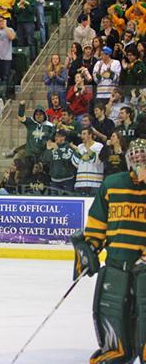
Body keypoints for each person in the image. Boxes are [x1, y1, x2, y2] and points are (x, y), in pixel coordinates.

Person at [71, 138, 146, 364]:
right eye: (135, 156)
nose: (139, 160)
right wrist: (89, 247)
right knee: (110, 307)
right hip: (117, 261)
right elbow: (98, 222)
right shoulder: (112, 184)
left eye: (143, 156)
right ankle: (116, 349)